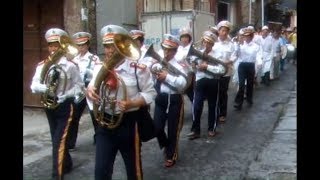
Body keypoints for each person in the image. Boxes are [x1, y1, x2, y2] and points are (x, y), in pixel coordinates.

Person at [86, 24, 156, 180]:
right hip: (104, 123)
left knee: (134, 171)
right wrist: (90, 91)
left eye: (113, 46)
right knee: (101, 172)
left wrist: (132, 103)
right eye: (106, 46)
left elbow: (150, 93)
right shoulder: (99, 67)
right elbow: (92, 86)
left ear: (123, 46)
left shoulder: (138, 69)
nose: (109, 51)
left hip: (129, 124)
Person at [30, 28, 84, 179]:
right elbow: (33, 86)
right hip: (49, 106)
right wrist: (45, 88)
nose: (53, 48)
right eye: (51, 45)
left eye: (56, 45)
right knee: (57, 138)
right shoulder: (42, 65)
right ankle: (67, 163)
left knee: (57, 141)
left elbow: (80, 87)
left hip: (64, 106)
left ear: (62, 47)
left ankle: (57, 175)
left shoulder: (70, 66)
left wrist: (66, 94)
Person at [151, 33, 189, 168]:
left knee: (173, 129)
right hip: (161, 99)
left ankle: (171, 155)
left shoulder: (179, 65)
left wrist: (167, 77)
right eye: (165, 48)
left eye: (170, 50)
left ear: (175, 51)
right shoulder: (157, 62)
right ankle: (167, 145)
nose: (166, 52)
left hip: (174, 99)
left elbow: (183, 83)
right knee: (157, 127)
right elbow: (151, 81)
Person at [187, 31, 225, 140]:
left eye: (209, 43)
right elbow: (192, 67)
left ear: (212, 44)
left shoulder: (218, 54)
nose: (206, 45)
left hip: (213, 81)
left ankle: (211, 128)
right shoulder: (197, 53)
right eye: (204, 42)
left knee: (213, 105)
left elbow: (222, 70)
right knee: (196, 105)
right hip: (200, 81)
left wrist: (207, 67)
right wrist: (194, 65)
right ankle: (195, 130)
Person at [67, 31, 101, 150]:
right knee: (74, 116)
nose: (81, 48)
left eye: (83, 45)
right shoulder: (74, 59)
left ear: (88, 45)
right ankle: (70, 143)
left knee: (95, 115)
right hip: (80, 91)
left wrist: (90, 89)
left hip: (90, 90)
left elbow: (96, 76)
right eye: (79, 45)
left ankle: (99, 140)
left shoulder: (94, 58)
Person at [234, 27, 262, 110]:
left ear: (252, 36)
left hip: (250, 65)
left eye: (248, 36)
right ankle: (239, 103)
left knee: (250, 84)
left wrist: (259, 63)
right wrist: (238, 45)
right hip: (242, 65)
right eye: (245, 36)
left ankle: (249, 99)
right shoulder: (241, 45)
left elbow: (258, 55)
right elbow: (237, 54)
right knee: (241, 85)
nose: (246, 38)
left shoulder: (256, 46)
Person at [214, 20, 236, 123]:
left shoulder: (231, 44)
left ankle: (222, 114)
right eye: (222, 30)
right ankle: (215, 112)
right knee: (214, 92)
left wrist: (230, 60)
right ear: (218, 31)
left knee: (223, 92)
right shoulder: (213, 42)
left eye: (226, 31)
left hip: (226, 72)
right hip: (214, 71)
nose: (224, 33)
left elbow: (234, 55)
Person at [175, 27, 195, 102]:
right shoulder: (178, 48)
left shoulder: (192, 48)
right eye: (182, 37)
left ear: (189, 38)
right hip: (179, 73)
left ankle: (195, 110)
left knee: (191, 94)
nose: (184, 39)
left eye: (186, 37)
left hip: (189, 74)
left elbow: (193, 62)